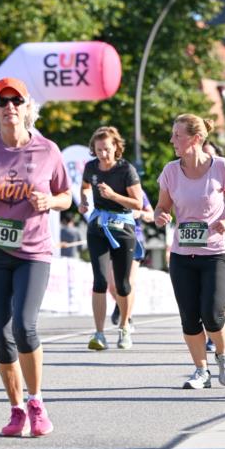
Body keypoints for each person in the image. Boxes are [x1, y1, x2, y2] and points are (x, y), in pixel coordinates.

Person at [0, 77, 72, 437]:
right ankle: (16, 409)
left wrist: (50, 202)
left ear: (27, 108)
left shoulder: (48, 151)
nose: (9, 107)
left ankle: (37, 402)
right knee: (1, 336)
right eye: (2, 101)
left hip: (33, 251)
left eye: (16, 101)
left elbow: (66, 196)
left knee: (24, 326)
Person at [155, 114, 225, 389]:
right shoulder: (170, 171)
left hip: (218, 251)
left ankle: (223, 356)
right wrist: (160, 216)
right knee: (189, 315)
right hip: (183, 254)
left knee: (213, 313)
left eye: (177, 136)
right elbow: (162, 206)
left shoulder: (221, 167)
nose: (172, 140)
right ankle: (200, 370)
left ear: (195, 139)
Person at [79, 126, 143, 351]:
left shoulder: (126, 170)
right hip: (97, 226)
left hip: (123, 227)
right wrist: (85, 202)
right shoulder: (91, 167)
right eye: (98, 150)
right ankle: (99, 333)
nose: (103, 154)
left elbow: (138, 204)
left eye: (107, 149)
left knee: (123, 285)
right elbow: (85, 187)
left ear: (116, 147)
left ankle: (124, 327)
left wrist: (114, 195)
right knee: (99, 281)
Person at [109, 188, 154, 329]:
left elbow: (151, 215)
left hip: (134, 239)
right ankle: (121, 304)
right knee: (112, 286)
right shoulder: (107, 190)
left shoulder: (137, 191)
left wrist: (139, 213)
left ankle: (126, 320)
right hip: (112, 238)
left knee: (129, 282)